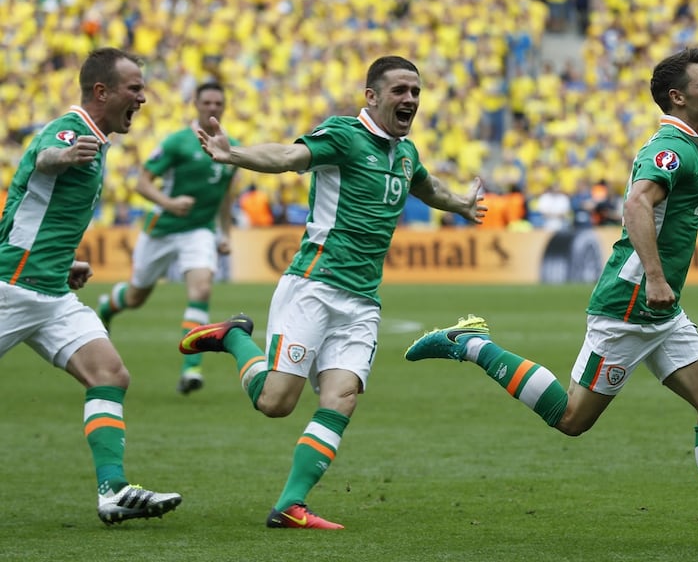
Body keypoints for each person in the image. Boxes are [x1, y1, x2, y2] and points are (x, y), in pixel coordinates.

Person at [405, 47, 698, 552]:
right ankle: (473, 344)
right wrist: (655, 279)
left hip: (663, 312)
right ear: (678, 98)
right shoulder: (668, 149)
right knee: (572, 419)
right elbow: (636, 204)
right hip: (630, 306)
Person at [177, 55, 486, 529]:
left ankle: (289, 505)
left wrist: (461, 204)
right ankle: (234, 337)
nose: (410, 100)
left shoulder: (406, 153)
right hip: (314, 288)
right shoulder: (344, 135)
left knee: (341, 397)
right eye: (400, 90)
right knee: (276, 403)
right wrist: (234, 154)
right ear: (372, 96)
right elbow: (287, 157)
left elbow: (426, 188)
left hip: (363, 301)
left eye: (416, 92)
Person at [0, 47, 182, 525]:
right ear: (103, 91)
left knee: (110, 374)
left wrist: (64, 265)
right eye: (134, 88)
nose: (143, 98)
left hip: (50, 291)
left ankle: (113, 490)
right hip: (12, 288)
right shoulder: (75, 128)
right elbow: (42, 157)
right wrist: (64, 154)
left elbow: (31, 210)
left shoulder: (98, 139)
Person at [96, 81, 240, 395]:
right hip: (161, 230)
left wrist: (224, 234)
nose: (213, 108)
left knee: (201, 288)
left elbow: (226, 197)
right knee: (135, 297)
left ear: (223, 107)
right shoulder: (177, 143)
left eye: (218, 103)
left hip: (198, 231)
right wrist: (169, 203)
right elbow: (142, 184)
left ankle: (192, 369)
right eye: (208, 103)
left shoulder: (231, 144)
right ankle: (107, 306)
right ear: (196, 104)